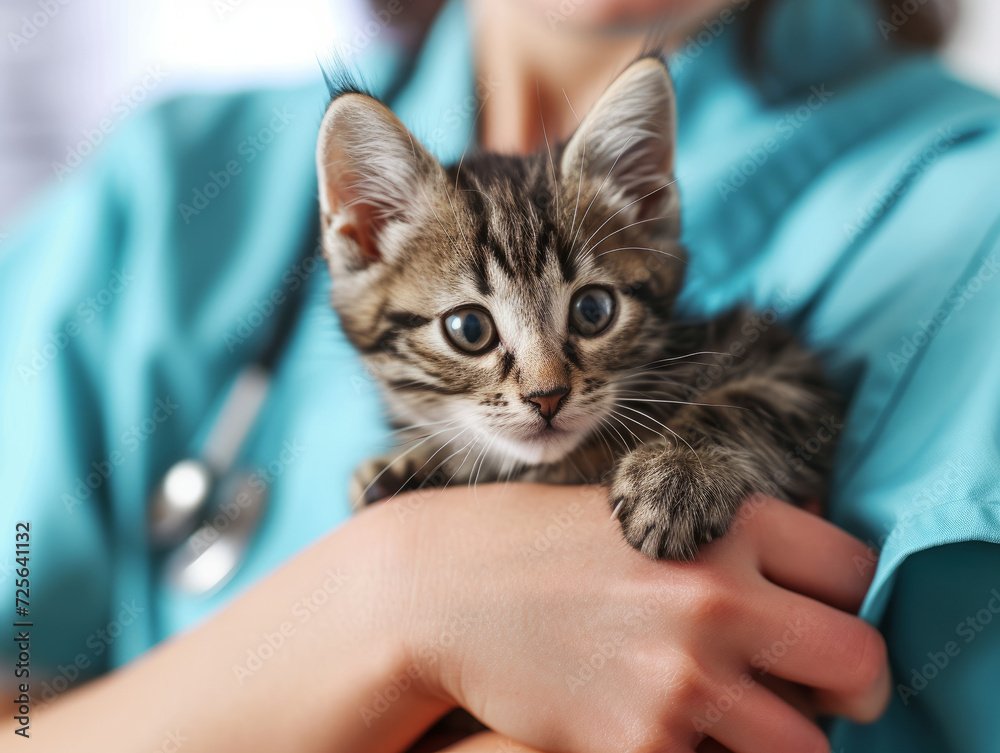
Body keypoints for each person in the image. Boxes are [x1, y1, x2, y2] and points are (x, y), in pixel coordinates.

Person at [2, 0, 999, 751]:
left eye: (591, 316)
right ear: (360, 230)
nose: (544, 386)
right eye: (475, 331)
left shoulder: (969, 222)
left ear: (648, 191)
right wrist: (389, 601)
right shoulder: (171, 185)